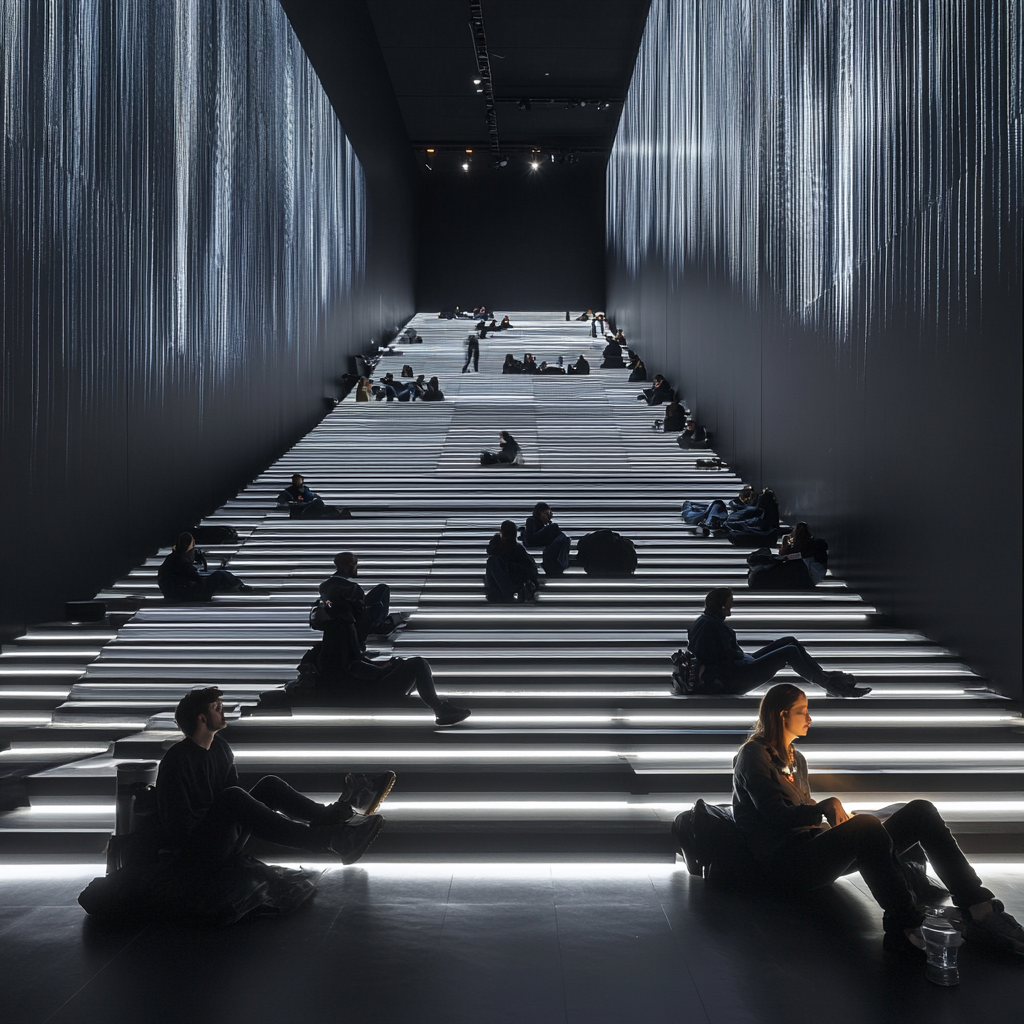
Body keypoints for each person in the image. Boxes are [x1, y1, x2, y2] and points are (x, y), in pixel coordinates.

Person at [731, 683, 1024, 962]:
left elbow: (801, 810)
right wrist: (822, 808)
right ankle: (903, 927)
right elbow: (774, 816)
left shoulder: (796, 758)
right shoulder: (753, 754)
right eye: (802, 710)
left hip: (812, 849)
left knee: (920, 811)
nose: (809, 717)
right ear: (782, 715)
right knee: (866, 826)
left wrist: (834, 819)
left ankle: (979, 907)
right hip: (785, 864)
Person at [157, 687, 389, 864]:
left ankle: (335, 817)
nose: (223, 710)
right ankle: (329, 839)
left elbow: (231, 801)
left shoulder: (220, 748)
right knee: (234, 797)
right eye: (216, 707)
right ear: (201, 718)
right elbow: (178, 826)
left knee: (268, 785)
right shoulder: (177, 761)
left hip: (225, 835)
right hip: (196, 850)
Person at [309, 558, 471, 726]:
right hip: (365, 693)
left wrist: (383, 666)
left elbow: (351, 662)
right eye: (359, 605)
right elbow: (349, 668)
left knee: (405, 664)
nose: (362, 610)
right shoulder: (341, 633)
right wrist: (382, 670)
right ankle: (440, 709)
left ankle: (440, 707)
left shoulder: (338, 632)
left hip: (359, 690)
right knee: (417, 664)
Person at [686, 587, 870, 697]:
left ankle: (825, 678)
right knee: (789, 651)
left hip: (738, 666)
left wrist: (745, 658)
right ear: (722, 605)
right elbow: (720, 661)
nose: (732, 607)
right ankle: (831, 685)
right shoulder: (713, 627)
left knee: (789, 641)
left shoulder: (705, 621)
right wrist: (745, 660)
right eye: (730, 602)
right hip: (734, 679)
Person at [157, 533, 255, 601]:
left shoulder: (172, 559)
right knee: (219, 574)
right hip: (186, 595)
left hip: (171, 594)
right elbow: (196, 578)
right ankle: (239, 585)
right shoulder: (182, 563)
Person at [320, 552, 398, 637]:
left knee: (382, 589)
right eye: (355, 564)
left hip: (338, 620)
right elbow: (361, 615)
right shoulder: (353, 588)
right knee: (384, 590)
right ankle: (380, 625)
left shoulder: (324, 586)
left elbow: (328, 603)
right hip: (358, 625)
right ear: (349, 566)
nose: (356, 568)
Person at [485, 520, 540, 602]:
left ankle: (509, 594)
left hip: (505, 591)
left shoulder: (517, 550)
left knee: (493, 562)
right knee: (493, 562)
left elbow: (531, 570)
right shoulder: (497, 553)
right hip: (504, 591)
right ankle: (509, 594)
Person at [523, 502, 570, 575]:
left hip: (543, 544)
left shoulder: (543, 526)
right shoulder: (531, 520)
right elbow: (530, 539)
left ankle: (561, 562)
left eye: (549, 514)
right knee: (558, 531)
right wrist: (549, 528)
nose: (547, 517)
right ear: (538, 513)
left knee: (564, 538)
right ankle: (561, 562)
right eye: (545, 514)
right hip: (533, 541)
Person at [276, 474, 350, 518]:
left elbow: (312, 496)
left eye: (299, 480)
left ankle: (338, 513)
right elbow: (281, 502)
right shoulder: (288, 491)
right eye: (295, 480)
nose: (297, 482)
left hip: (309, 507)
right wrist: (293, 503)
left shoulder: (305, 489)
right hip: (300, 511)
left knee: (320, 505)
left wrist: (315, 498)